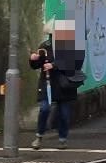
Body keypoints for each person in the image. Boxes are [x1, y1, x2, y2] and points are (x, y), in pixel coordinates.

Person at [29, 21, 85, 149]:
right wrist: (33, 60)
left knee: (64, 114)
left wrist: (53, 65)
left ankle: (62, 138)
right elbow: (37, 65)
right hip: (48, 83)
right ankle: (39, 136)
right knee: (44, 108)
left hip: (65, 84)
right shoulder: (44, 46)